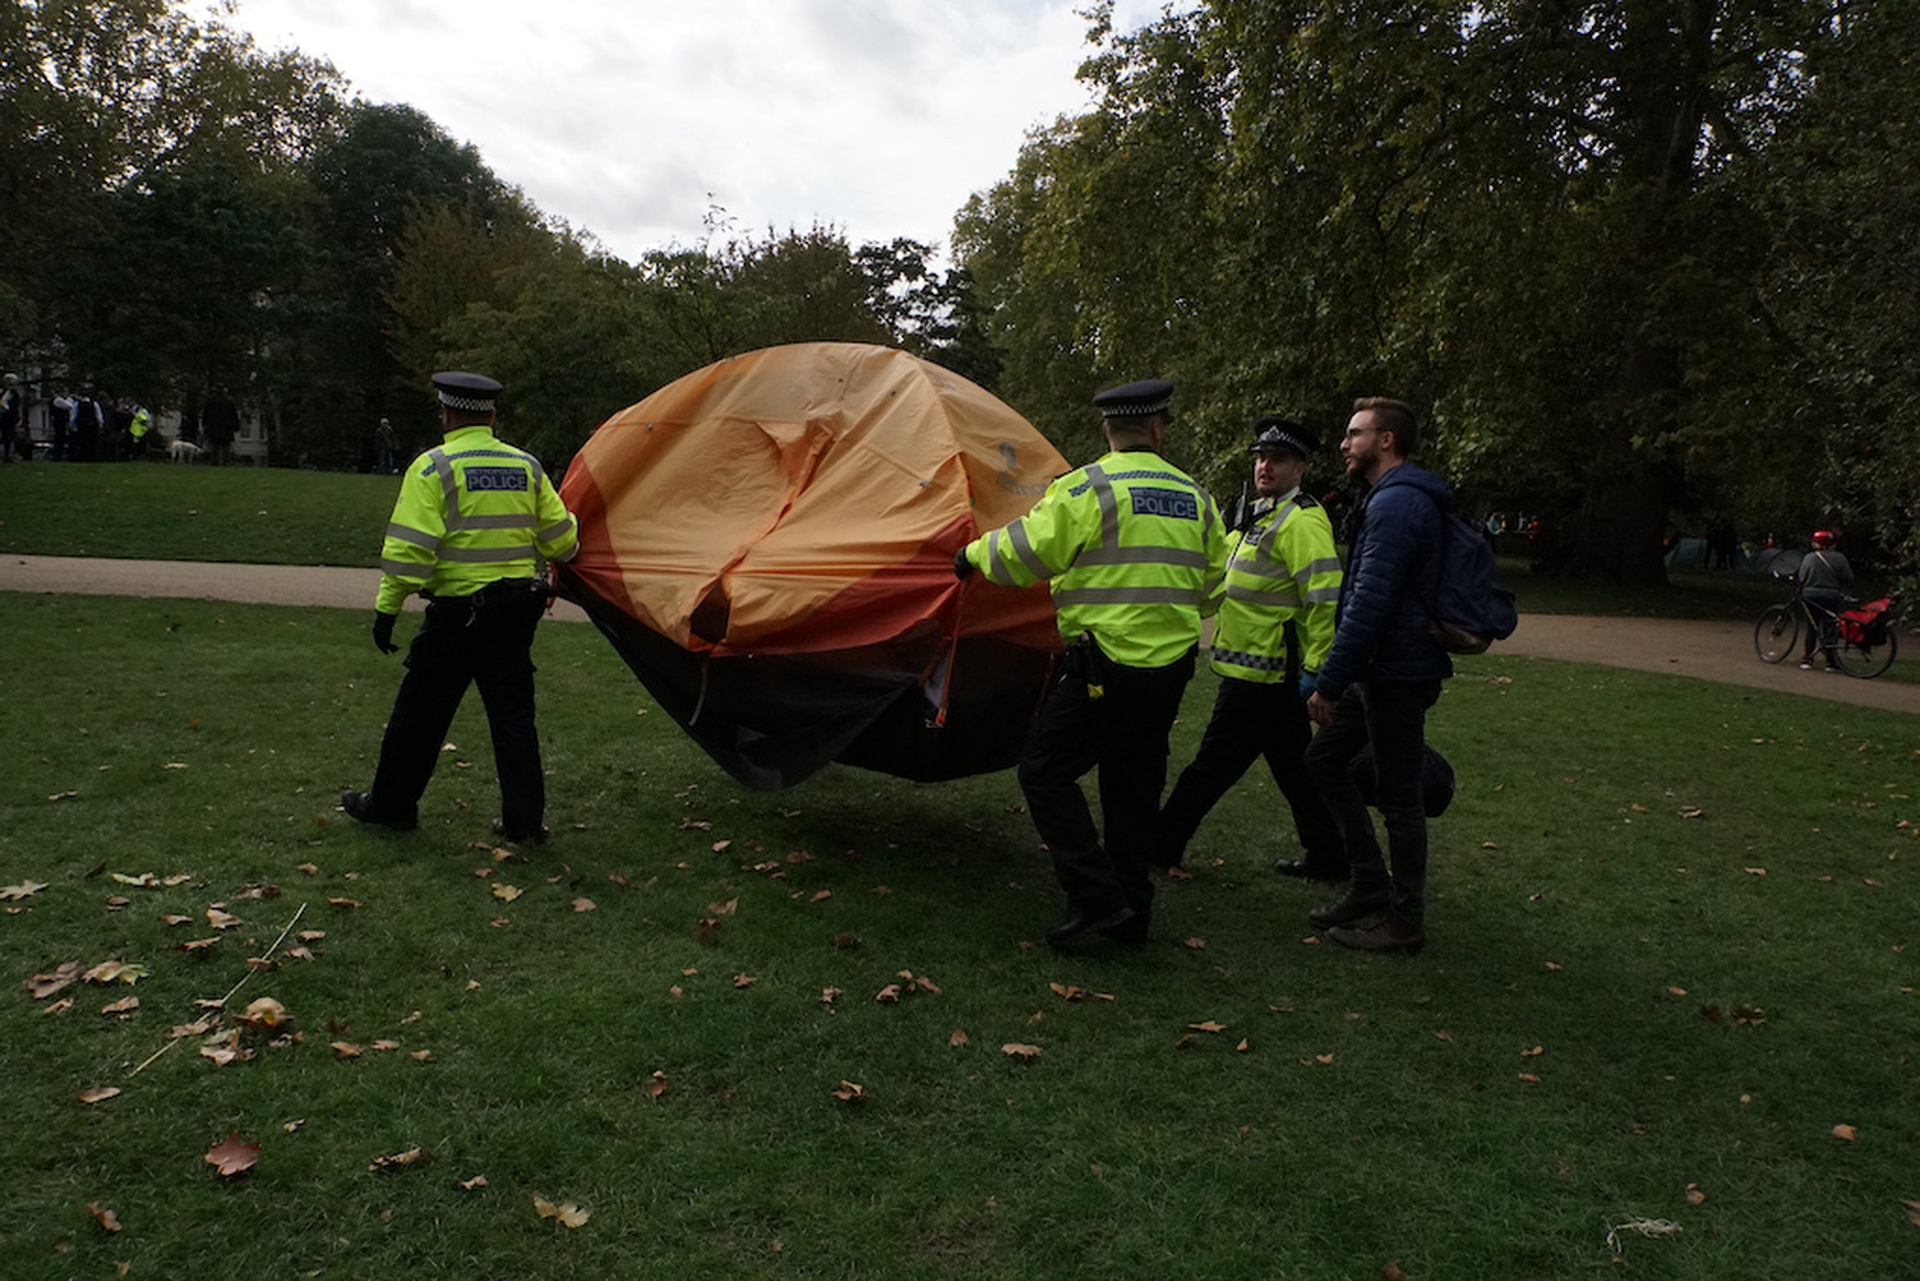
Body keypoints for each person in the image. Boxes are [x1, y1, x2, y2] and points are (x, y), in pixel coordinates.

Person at [956, 378, 1228, 946]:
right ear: (1158, 428)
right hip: (1171, 669)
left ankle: (1098, 899)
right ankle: (1132, 911)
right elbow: (1212, 586)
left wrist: (971, 554)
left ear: (1108, 431)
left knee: (1045, 772)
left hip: (1104, 667)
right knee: (1133, 786)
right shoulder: (1197, 498)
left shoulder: (1088, 489)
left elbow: (1025, 555)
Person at [342, 372, 579, 843]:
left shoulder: (433, 469)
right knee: (514, 719)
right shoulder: (527, 467)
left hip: (456, 616)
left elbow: (410, 555)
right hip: (514, 613)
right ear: (492, 415)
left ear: (446, 414)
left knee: (419, 715)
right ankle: (524, 823)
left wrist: (387, 610)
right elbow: (563, 542)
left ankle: (392, 806)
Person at [1156, 417, 1345, 879]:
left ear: (1300, 468)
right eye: (1261, 458)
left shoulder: (1300, 521)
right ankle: (1332, 855)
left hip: (1268, 674)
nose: (1265, 467)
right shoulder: (1262, 513)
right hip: (1260, 670)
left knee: (1212, 765)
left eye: (1277, 460)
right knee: (1296, 770)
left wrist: (1317, 669)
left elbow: (1324, 597)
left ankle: (1158, 846)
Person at [1303, 397, 1454, 955]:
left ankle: (1405, 918)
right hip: (1383, 667)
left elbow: (1371, 602)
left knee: (1399, 798)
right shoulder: (1388, 499)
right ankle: (1369, 881)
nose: (1344, 444)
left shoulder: (1397, 505)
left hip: (1395, 671)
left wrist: (1330, 682)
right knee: (1323, 760)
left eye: (1354, 433)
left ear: (1386, 440)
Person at [1795, 529, 1852, 670]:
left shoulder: (1809, 558)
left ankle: (1807, 658)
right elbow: (1848, 577)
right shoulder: (1840, 558)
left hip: (1811, 596)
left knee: (1812, 627)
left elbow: (1802, 577)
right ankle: (1830, 661)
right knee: (1830, 627)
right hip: (1832, 596)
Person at [202, 387, 239, 465]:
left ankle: (214, 462)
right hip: (226, 427)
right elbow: (234, 415)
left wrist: (205, 425)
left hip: (213, 427)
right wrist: (236, 427)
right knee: (226, 445)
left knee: (214, 445)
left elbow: (205, 414)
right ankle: (226, 462)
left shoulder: (210, 401)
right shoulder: (229, 401)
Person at [0, 374, 22, 463]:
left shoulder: (14, 394)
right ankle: (6, 454)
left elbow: (14, 406)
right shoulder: (3, 392)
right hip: (3, 416)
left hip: (10, 417)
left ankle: (9, 454)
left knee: (9, 435)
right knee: (5, 435)